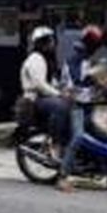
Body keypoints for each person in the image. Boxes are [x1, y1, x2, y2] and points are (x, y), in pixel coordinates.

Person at [57, 25, 107, 193]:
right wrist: (95, 78)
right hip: (75, 104)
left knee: (103, 131)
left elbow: (91, 80)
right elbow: (76, 84)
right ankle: (63, 176)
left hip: (86, 103)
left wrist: (102, 86)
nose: (98, 48)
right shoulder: (76, 59)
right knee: (78, 136)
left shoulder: (86, 58)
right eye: (97, 45)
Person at [20, 26, 71, 165]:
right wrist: (60, 94)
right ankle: (55, 143)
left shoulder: (47, 59)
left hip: (44, 97)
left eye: (52, 40)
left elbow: (52, 82)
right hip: (35, 99)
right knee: (61, 107)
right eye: (48, 40)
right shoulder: (35, 58)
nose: (52, 43)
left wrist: (65, 90)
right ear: (40, 43)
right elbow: (40, 85)